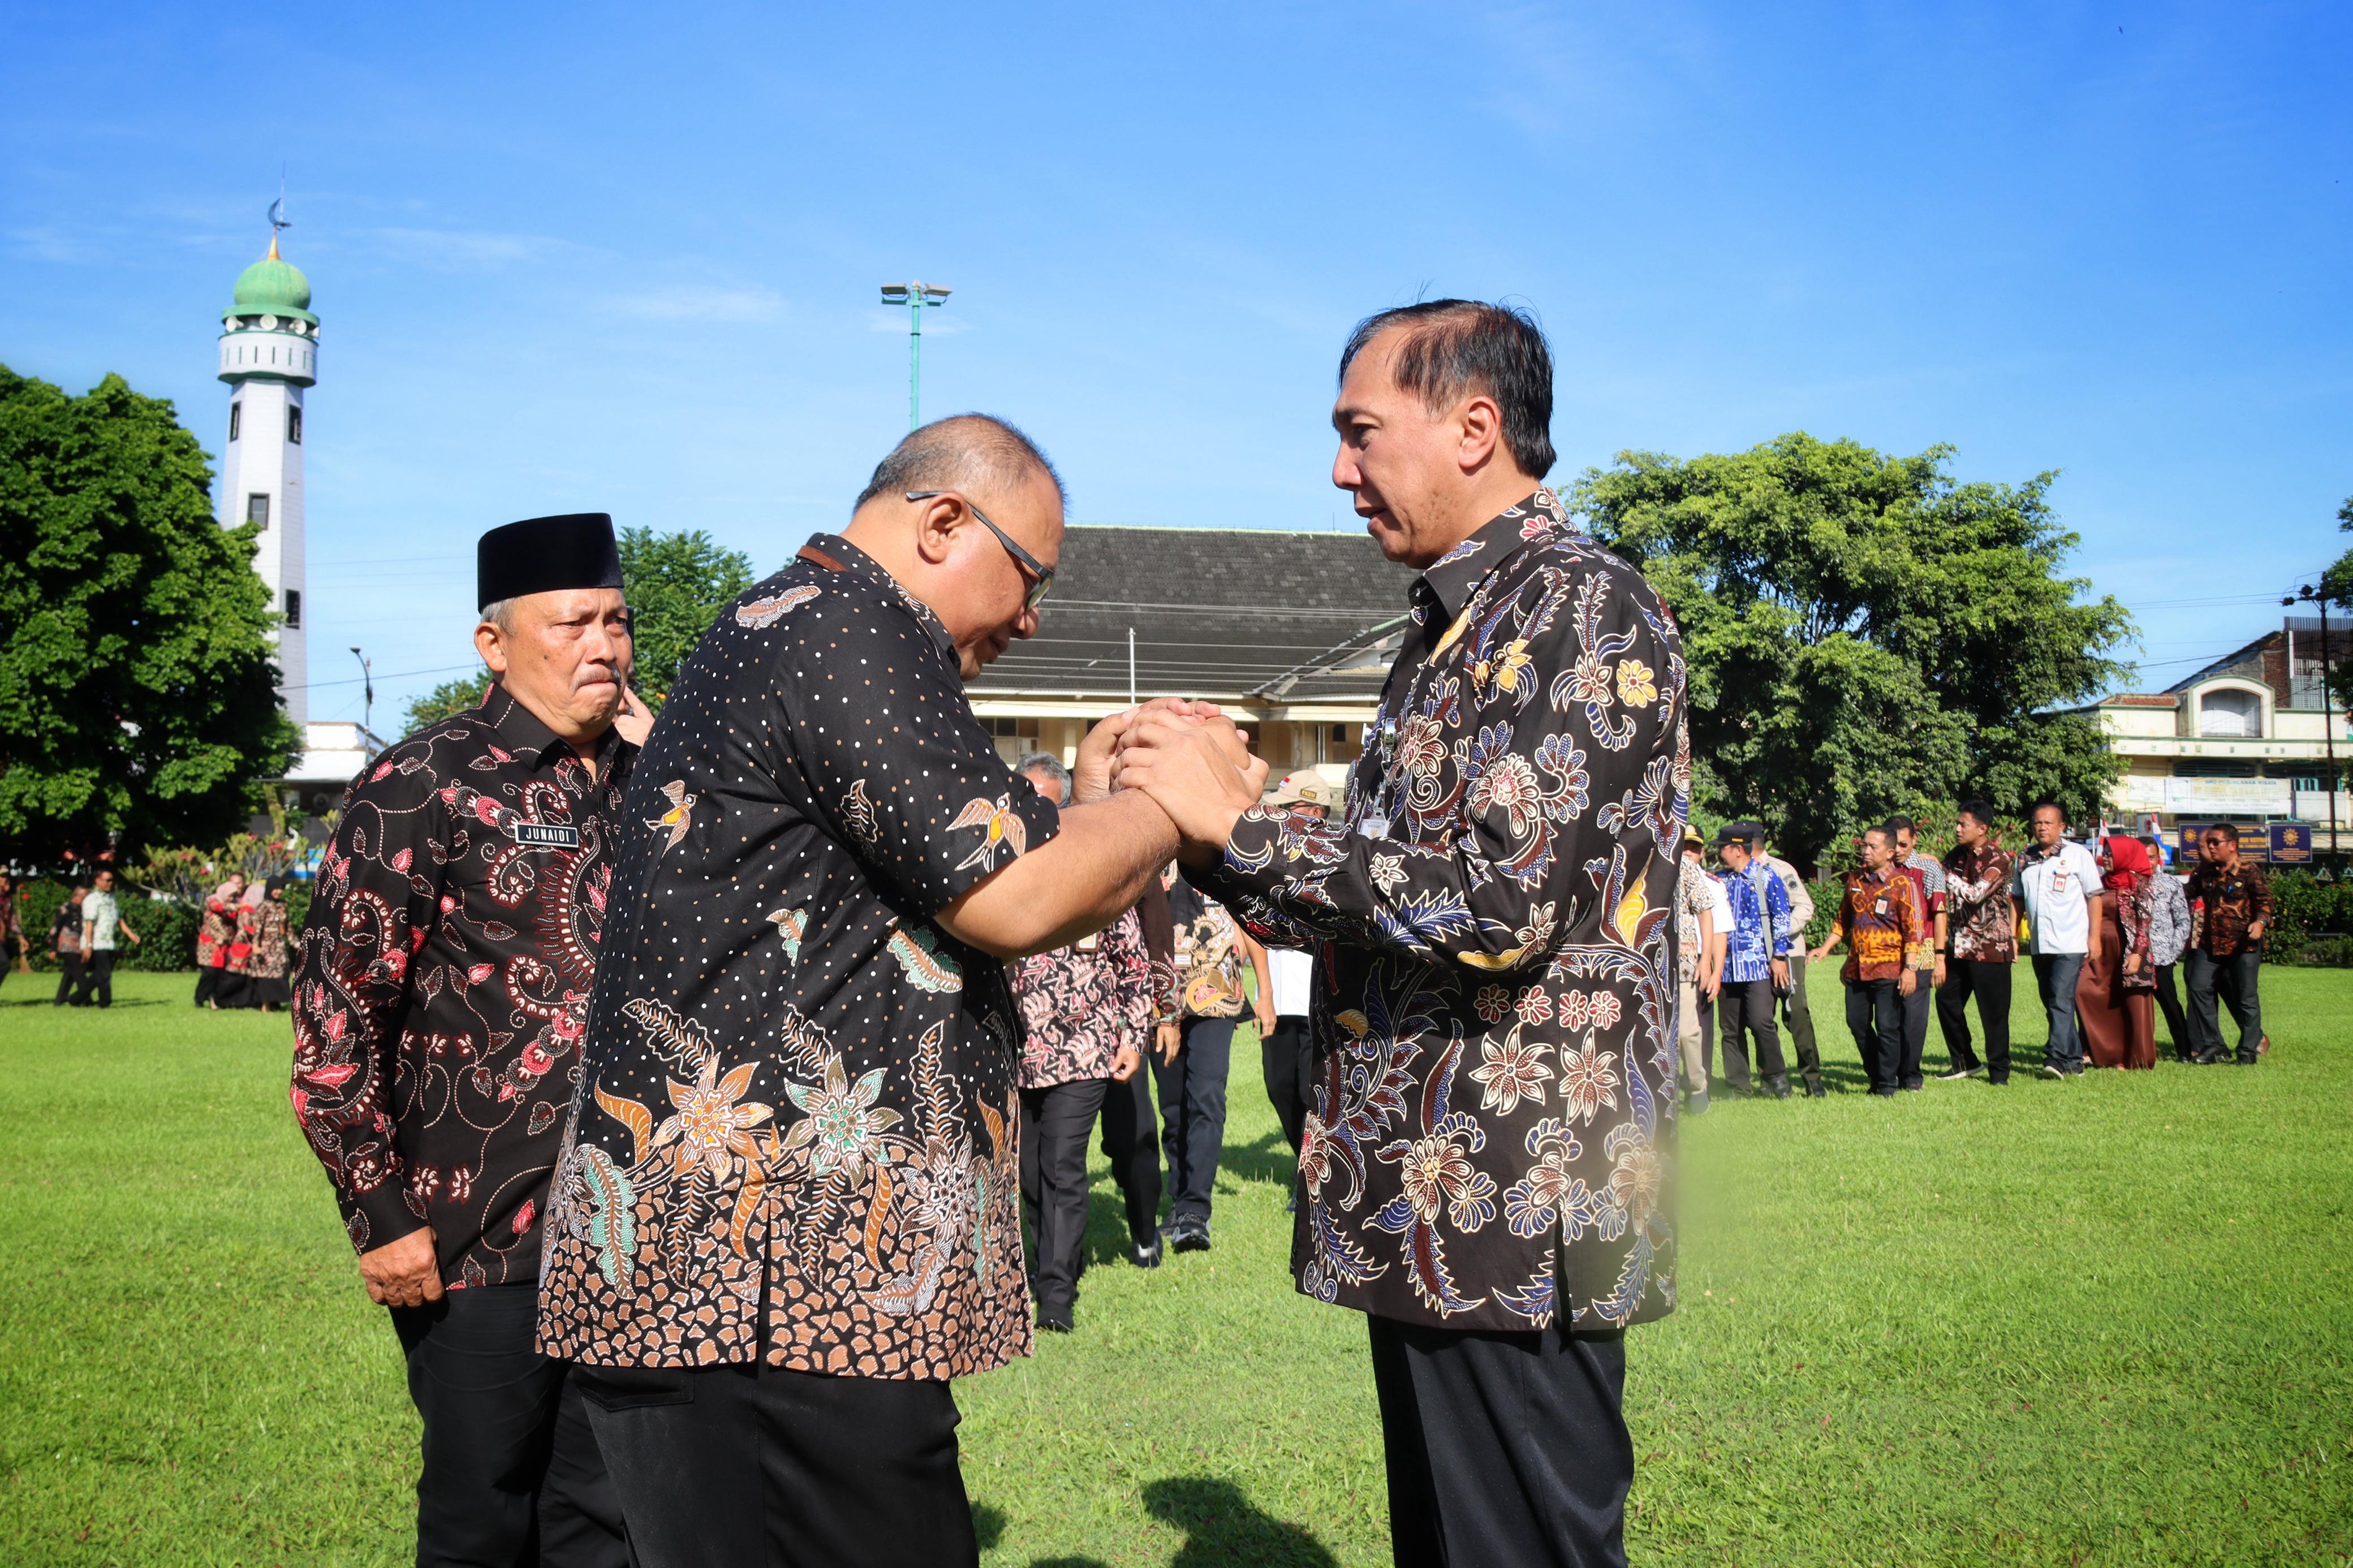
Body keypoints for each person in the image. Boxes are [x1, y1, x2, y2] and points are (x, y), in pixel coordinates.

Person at [535, 416, 1260, 1567]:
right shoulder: (853, 633)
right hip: (780, 1282)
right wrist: (1177, 801)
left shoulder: (801, 622)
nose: (1030, 620)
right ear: (940, 523)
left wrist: (1086, 797)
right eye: (1030, 579)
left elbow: (952, 865)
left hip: (750, 1276)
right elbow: (1014, 898)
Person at [1113, 301, 1685, 1568]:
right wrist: (1206, 831)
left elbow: (1500, 901)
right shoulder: (1455, 625)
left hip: (1516, 1190)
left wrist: (1247, 822)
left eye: (1360, 432)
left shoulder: (1577, 606)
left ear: (1475, 427)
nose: (1338, 470)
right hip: (1442, 1185)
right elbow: (1374, 900)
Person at [290, 512, 647, 1568]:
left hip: (624, 1231)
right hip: (473, 1236)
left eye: (619, 621)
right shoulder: (420, 783)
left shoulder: (645, 782)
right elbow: (335, 1019)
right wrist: (382, 1216)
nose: (605, 645)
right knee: (481, 1514)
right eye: (572, 621)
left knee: (607, 1513)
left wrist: (656, 739)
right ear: (494, 643)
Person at [1006, 753, 1157, 1333]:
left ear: (1065, 806)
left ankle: (1055, 1297)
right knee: (1027, 1174)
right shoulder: (1002, 872)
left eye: (1046, 802)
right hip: (1017, 1052)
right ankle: (1048, 1261)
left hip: (1083, 1048)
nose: (1036, 811)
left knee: (1063, 1166)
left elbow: (1133, 966)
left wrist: (1132, 1035)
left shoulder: (1092, 874)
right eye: (1026, 800)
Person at [1160, 862, 1272, 1252]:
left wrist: (1266, 993)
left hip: (1217, 993)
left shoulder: (1220, 854)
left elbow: (1249, 923)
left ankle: (1194, 1211)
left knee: (1207, 1097)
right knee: (1173, 1108)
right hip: (1162, 996)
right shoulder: (1152, 849)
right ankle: (1178, 1199)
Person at [1809, 826, 1922, 1098]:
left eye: (1873, 847)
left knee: (1887, 1027)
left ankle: (1886, 1084)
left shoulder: (1903, 885)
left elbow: (1913, 931)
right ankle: (1877, 1073)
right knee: (1857, 1024)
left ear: (1891, 852)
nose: (1866, 851)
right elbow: (1843, 920)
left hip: (1889, 968)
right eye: (1864, 845)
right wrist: (1824, 948)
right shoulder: (1855, 880)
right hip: (1857, 969)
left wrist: (1910, 969)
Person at [1260, 770, 1332, 1158]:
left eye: (1289, 808)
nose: (1281, 816)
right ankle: (1305, 1163)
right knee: (1279, 1085)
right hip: (1278, 994)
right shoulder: (1270, 856)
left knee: (1313, 1087)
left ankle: (1313, 1175)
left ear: (1316, 810)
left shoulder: (1338, 856)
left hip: (1319, 996)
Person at [2012, 802, 2103, 1079]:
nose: (2042, 827)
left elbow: (2095, 896)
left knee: (2060, 999)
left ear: (2061, 827)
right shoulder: (2025, 858)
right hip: (2041, 944)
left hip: (2071, 942)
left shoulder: (2078, 855)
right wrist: (2013, 936)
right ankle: (2075, 1059)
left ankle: (2057, 1058)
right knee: (2051, 1000)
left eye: (2049, 823)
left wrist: (2094, 938)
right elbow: (2016, 900)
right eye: (2038, 822)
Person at [1935, 800, 2015, 1084]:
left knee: (1993, 1013)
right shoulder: (1957, 854)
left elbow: (1974, 894)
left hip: (1990, 949)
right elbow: (1936, 881)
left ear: (1983, 828)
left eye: (1963, 824)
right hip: (1959, 946)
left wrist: (1941, 872)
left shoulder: (1999, 858)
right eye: (1957, 823)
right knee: (1946, 1001)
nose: (1957, 829)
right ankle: (1964, 1061)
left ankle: (1999, 1073)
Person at [1710, 822, 1791, 1098]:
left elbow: (1782, 920)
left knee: (1761, 1023)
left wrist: (1779, 956)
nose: (1719, 853)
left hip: (1758, 965)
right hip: (1726, 968)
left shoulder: (1766, 878)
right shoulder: (1718, 881)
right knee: (1730, 1031)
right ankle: (1739, 1086)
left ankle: (1776, 1079)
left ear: (1737, 850)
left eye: (1722, 848)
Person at [2184, 823, 2273, 1065]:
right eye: (2209, 842)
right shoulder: (2207, 872)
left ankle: (2247, 1051)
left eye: (2216, 842)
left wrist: (2260, 923)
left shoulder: (2250, 871)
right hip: (2211, 946)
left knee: (2246, 998)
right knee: (2198, 988)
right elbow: (2186, 893)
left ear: (2232, 846)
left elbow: (2265, 902)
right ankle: (2214, 1045)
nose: (2211, 847)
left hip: (2243, 946)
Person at [2079, 836, 2157, 1069]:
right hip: (2097, 950)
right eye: (2106, 853)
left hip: (2128, 949)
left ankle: (2133, 1058)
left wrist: (2138, 954)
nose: (2106, 858)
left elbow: (2145, 923)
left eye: (2112, 854)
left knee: (2132, 1003)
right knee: (2084, 990)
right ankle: (2104, 1053)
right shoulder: (2098, 882)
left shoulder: (2140, 884)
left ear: (2126, 855)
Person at [1755, 834, 1824, 1096]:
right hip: (1754, 957)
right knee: (1761, 1017)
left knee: (1796, 1013)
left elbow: (1805, 907)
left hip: (1789, 953)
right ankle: (1770, 1078)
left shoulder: (1780, 870)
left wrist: (1778, 935)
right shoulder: (1735, 874)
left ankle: (1812, 1077)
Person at [1889, 817, 1946, 1092]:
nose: (1898, 849)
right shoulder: (1878, 870)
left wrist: (1940, 956)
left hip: (1922, 948)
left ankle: (1911, 1075)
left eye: (1904, 843)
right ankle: (1890, 1071)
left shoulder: (1928, 868)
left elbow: (1939, 913)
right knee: (1889, 1013)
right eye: (1894, 844)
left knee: (1914, 1015)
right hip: (1886, 950)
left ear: (1914, 840)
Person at [1673, 828, 1723, 1111]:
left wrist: (1706, 959)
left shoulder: (1684, 866)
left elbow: (1705, 909)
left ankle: (1697, 1085)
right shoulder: (1638, 860)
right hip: (1646, 963)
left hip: (1682, 962)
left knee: (1687, 1032)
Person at [2143, 836, 2195, 1060]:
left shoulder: (2171, 884)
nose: (2148, 862)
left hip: (2162, 957)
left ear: (2158, 858)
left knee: (2170, 1005)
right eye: (2143, 857)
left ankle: (2184, 1050)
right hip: (2134, 957)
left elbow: (2183, 921)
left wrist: (2173, 951)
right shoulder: (2126, 885)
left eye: (2152, 857)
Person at [72, 867, 141, 1007]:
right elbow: (89, 924)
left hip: (108, 942)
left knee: (103, 974)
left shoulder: (111, 898)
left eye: (111, 880)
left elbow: (118, 920)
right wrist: (88, 945)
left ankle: (100, 1001)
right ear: (97, 881)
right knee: (103, 973)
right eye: (107, 880)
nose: (110, 883)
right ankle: (80, 998)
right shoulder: (92, 899)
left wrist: (131, 934)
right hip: (96, 942)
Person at [243, 877, 295, 1012]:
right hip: (266, 946)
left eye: (281, 889)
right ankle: (265, 1005)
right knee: (266, 975)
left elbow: (288, 927)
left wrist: (295, 943)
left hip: (279, 945)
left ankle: (276, 1002)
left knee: (282, 971)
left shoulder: (283, 905)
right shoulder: (264, 906)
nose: (279, 892)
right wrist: (256, 945)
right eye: (276, 889)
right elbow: (258, 927)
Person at [194, 874, 245, 1009]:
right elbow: (219, 907)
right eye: (230, 895)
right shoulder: (212, 900)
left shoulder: (233, 904)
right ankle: (200, 998)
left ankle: (213, 999)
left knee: (219, 974)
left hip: (225, 944)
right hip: (210, 944)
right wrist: (237, 907)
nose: (231, 899)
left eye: (233, 896)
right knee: (209, 972)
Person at [50, 880, 88, 1007]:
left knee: (70, 974)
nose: (85, 900)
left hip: (78, 947)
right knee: (80, 973)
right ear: (76, 895)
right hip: (67, 947)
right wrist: (53, 949)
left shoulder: (82, 910)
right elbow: (55, 929)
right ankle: (86, 1000)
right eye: (84, 897)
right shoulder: (65, 909)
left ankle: (59, 1000)